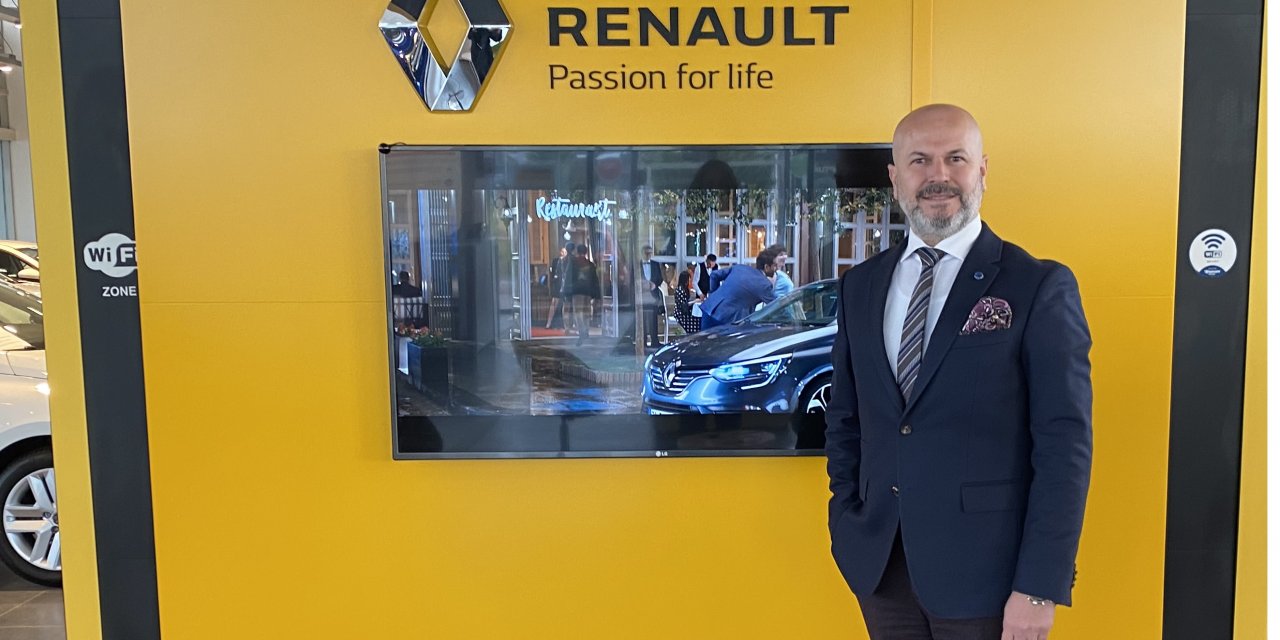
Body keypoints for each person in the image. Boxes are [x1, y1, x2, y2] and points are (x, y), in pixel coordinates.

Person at [824, 104, 1092, 640]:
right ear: (895, 177)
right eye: (920, 160)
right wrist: (846, 514)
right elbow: (847, 419)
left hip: (990, 577)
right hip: (881, 569)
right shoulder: (861, 286)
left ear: (983, 171)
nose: (938, 176)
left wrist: (1040, 585)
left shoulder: (1037, 285)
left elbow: (1064, 446)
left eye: (956, 158)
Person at [700, 249, 778, 330]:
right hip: (729, 319)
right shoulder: (764, 284)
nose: (777, 269)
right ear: (766, 267)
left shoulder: (740, 267)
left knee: (704, 338)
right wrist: (774, 282)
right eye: (775, 266)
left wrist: (714, 293)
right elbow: (777, 306)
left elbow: (714, 275)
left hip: (710, 308)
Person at [566, 244, 600, 345]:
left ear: (577, 251)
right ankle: (586, 329)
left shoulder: (573, 263)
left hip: (577, 291)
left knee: (578, 312)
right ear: (585, 252)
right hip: (588, 291)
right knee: (586, 311)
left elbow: (568, 277)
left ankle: (582, 331)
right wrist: (596, 293)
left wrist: (566, 291)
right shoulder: (590, 264)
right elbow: (595, 280)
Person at [640, 245, 665, 347]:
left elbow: (660, 278)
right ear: (642, 253)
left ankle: (655, 340)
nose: (648, 255)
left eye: (650, 253)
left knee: (653, 319)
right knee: (642, 319)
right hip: (641, 295)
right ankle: (643, 341)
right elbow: (633, 279)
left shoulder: (655, 264)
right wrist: (641, 285)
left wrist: (654, 284)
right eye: (646, 253)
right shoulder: (637, 265)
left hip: (653, 295)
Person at [545, 243, 571, 329]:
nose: (563, 253)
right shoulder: (556, 261)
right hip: (558, 284)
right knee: (554, 303)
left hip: (565, 285)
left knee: (566, 305)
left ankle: (566, 325)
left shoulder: (569, 261)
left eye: (565, 252)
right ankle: (548, 323)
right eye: (562, 251)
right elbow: (553, 273)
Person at [558, 242, 577, 334]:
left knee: (566, 307)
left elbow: (560, 273)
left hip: (564, 286)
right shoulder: (575, 260)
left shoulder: (562, 260)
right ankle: (575, 326)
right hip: (574, 285)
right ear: (573, 249)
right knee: (576, 307)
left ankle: (566, 327)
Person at [673, 270, 700, 334]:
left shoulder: (684, 289)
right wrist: (694, 301)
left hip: (684, 311)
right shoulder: (680, 290)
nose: (690, 281)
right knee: (696, 321)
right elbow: (683, 305)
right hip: (680, 313)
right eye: (689, 279)